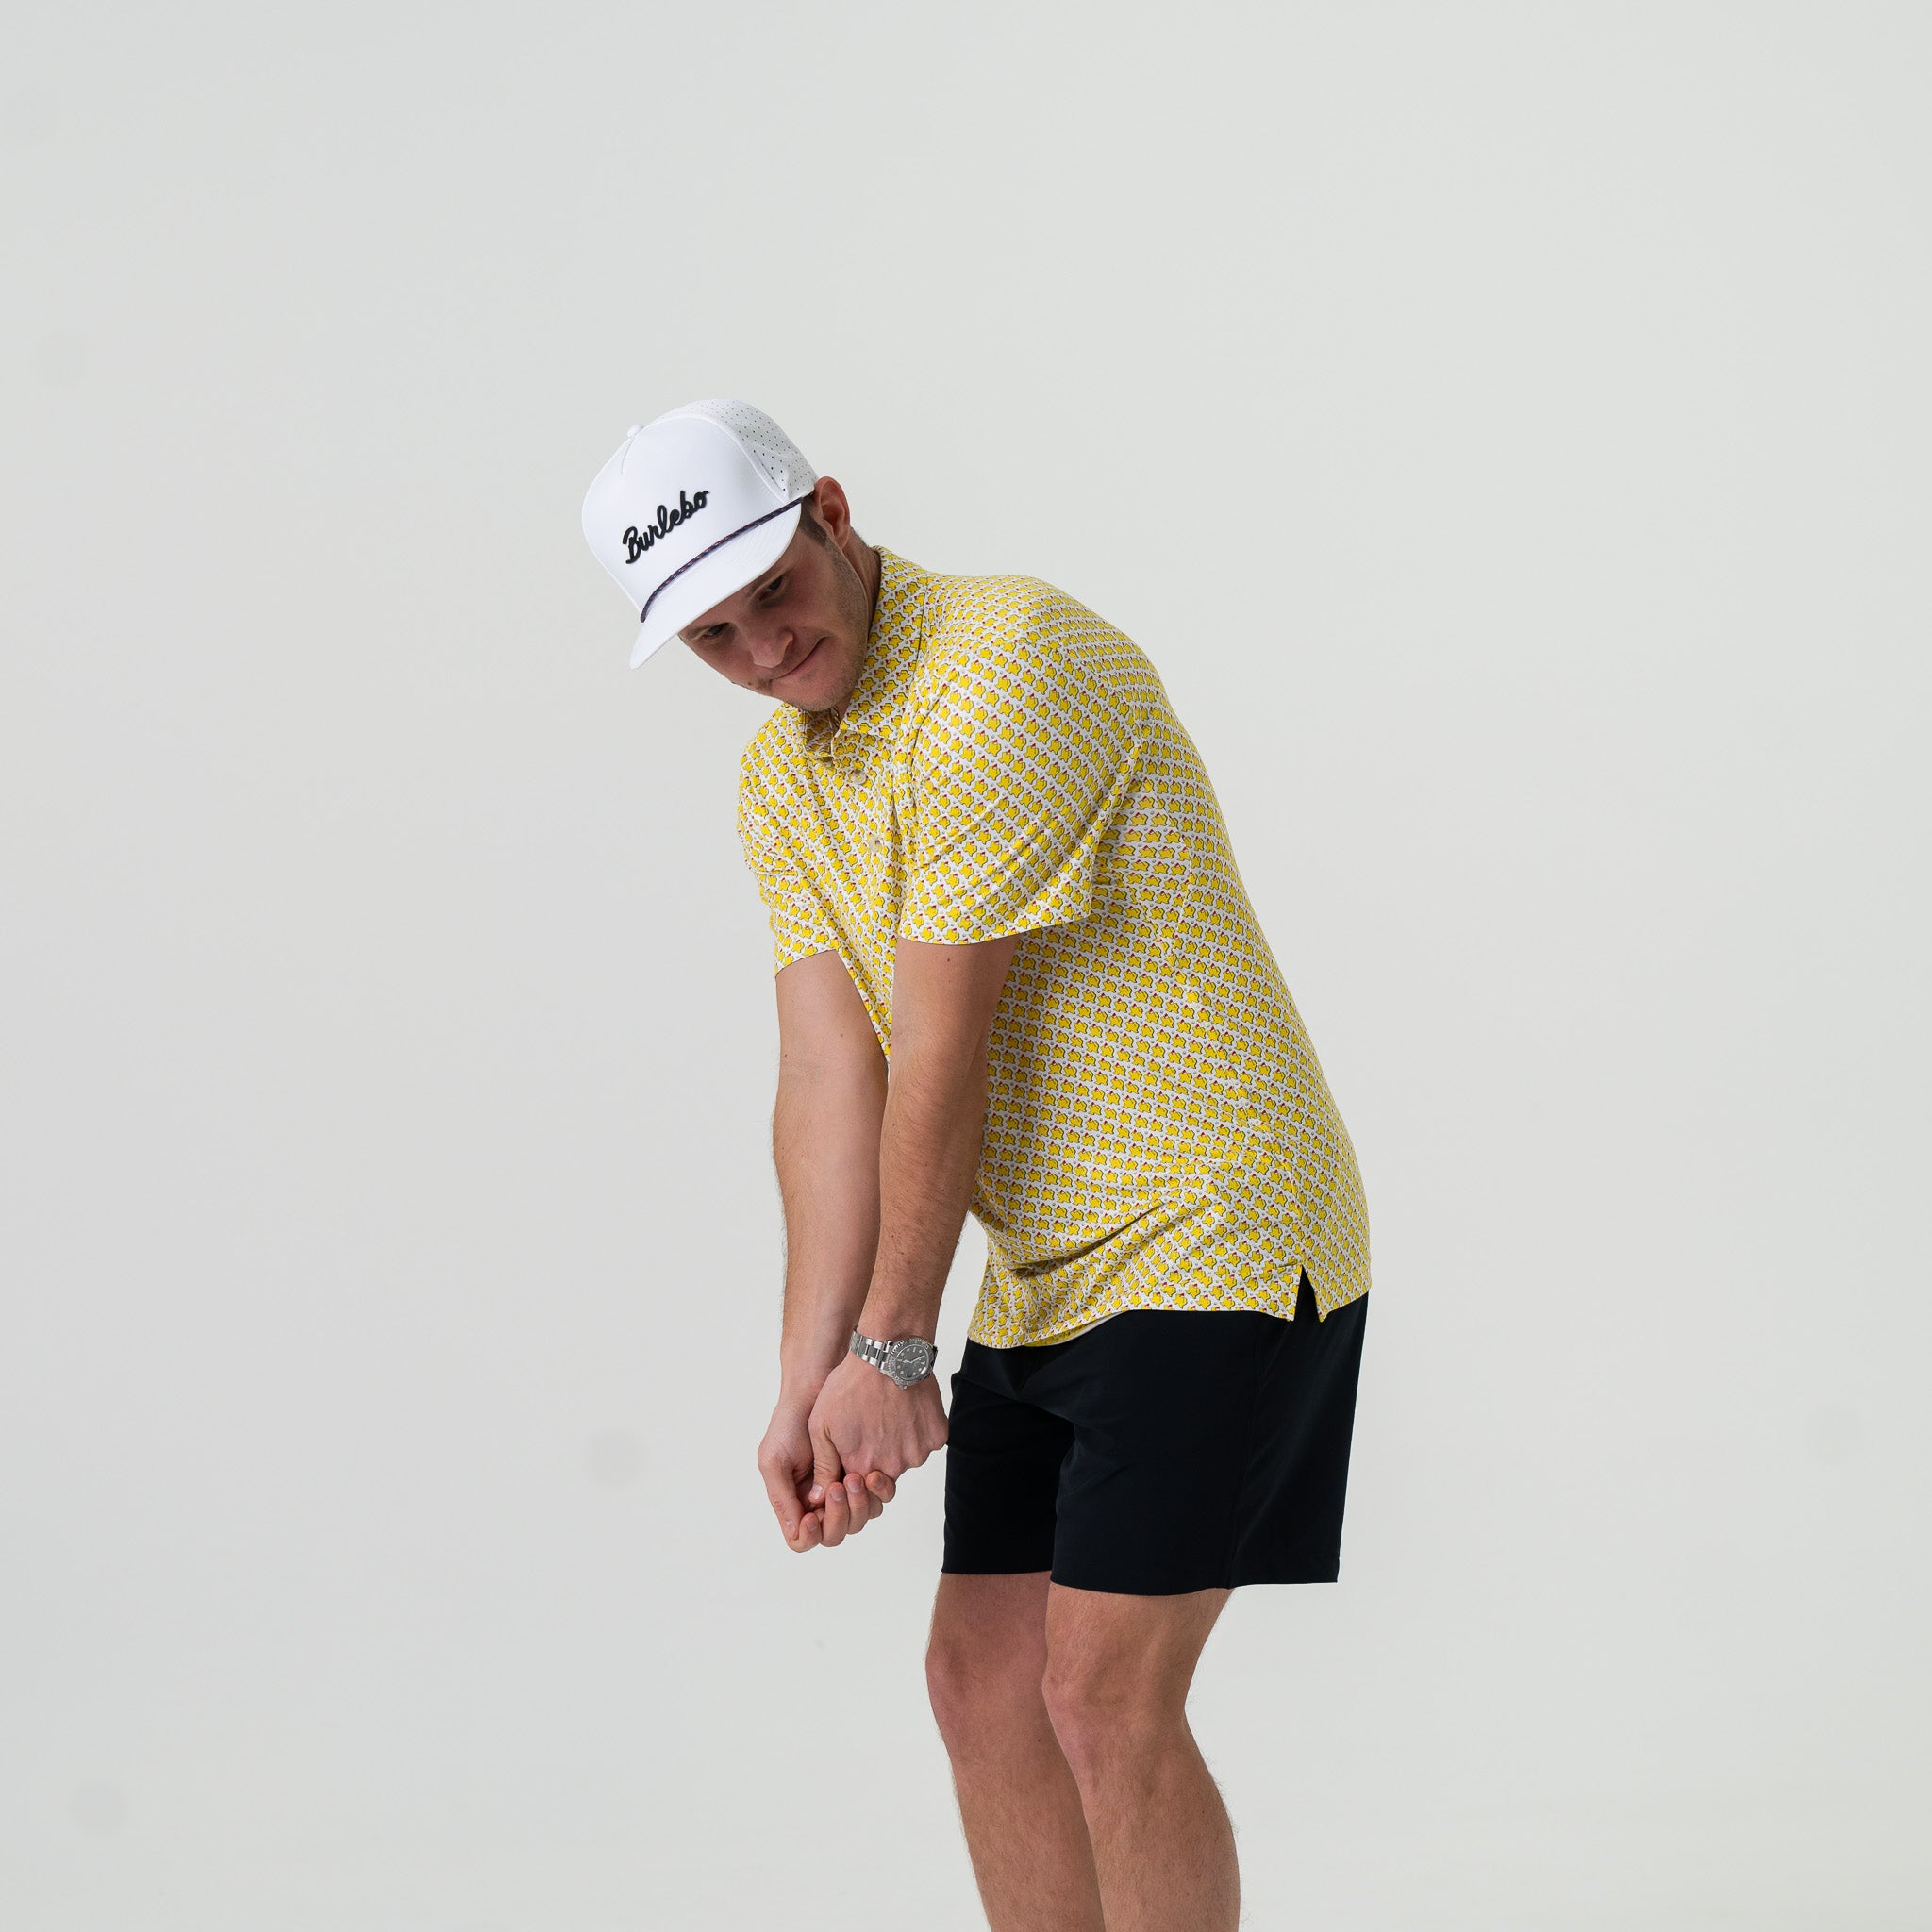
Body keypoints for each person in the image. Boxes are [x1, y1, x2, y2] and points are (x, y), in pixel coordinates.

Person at [581, 400, 1372, 1932]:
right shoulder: (779, 782)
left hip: (1212, 1223)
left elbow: (941, 1048)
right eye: (713, 637)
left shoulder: (1003, 662)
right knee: (979, 1684)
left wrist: (892, 1347)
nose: (763, 649)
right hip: (1046, 1267)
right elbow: (831, 1075)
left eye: (773, 591)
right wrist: (811, 1380)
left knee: (1099, 1693)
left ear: (831, 509)